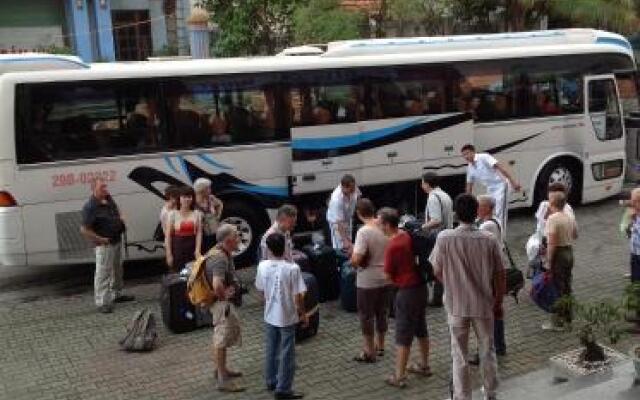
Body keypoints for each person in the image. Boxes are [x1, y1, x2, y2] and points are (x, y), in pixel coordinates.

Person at [429, 194, 506, 400]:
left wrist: (452, 283)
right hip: (484, 304)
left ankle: (463, 396)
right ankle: (490, 392)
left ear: (456, 214)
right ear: (476, 213)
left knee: (459, 354)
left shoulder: (444, 238)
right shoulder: (489, 240)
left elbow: (436, 270)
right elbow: (500, 273)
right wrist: (498, 301)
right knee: (487, 350)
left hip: (456, 304)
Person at [380, 207, 431, 388]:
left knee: (403, 334)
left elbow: (387, 276)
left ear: (387, 225)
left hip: (406, 293)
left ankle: (399, 376)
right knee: (421, 328)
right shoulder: (407, 235)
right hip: (421, 288)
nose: (379, 225)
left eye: (380, 222)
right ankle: (424, 365)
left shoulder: (392, 246)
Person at [255, 233, 308, 400]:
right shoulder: (292, 268)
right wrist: (303, 313)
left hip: (270, 314)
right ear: (284, 247)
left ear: (269, 249)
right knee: (287, 352)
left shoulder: (262, 266)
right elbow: (298, 296)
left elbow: (261, 290)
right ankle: (283, 388)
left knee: (271, 348)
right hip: (287, 315)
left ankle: (271, 380)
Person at [80, 178, 134, 314]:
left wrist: (121, 218)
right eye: (101, 188)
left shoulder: (108, 198)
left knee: (117, 270)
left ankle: (117, 294)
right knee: (103, 274)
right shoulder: (90, 206)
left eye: (105, 186)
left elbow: (117, 210)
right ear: (93, 189)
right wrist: (100, 239)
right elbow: (84, 229)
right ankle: (102, 302)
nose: (105, 189)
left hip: (116, 241)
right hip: (105, 245)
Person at [350, 198, 390, 363]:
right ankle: (381, 345)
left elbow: (357, 259)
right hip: (385, 277)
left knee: (366, 315)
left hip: (367, 280)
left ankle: (369, 350)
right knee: (382, 312)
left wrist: (352, 257)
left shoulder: (363, 231)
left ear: (359, 213)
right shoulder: (385, 226)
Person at [207, 224, 245, 392]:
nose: (239, 238)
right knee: (221, 339)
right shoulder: (220, 258)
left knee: (221, 337)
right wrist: (224, 296)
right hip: (221, 305)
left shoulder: (219, 251)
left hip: (219, 304)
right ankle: (222, 380)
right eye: (237, 236)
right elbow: (216, 284)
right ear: (228, 240)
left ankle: (221, 369)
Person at [462, 144, 521, 239]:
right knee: (489, 211)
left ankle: (502, 238)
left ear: (473, 152)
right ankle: (493, 234)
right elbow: (469, 185)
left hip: (501, 185)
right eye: (464, 155)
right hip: (490, 188)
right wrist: (466, 200)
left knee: (500, 212)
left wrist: (513, 181)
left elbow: (500, 167)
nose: (466, 157)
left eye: (467, 153)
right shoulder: (470, 167)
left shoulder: (483, 157)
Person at [477, 195, 507, 357]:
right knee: (497, 310)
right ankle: (499, 346)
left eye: (479, 206)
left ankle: (490, 348)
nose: (477, 209)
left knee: (488, 311)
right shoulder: (495, 221)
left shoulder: (487, 226)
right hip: (496, 270)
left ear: (488, 208)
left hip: (489, 273)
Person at [542, 191, 577, 331]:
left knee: (557, 288)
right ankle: (569, 317)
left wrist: (548, 262)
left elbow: (552, 243)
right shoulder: (569, 217)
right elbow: (575, 234)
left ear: (552, 203)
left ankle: (557, 322)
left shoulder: (553, 219)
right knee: (567, 285)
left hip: (559, 255)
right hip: (569, 251)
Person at [164, 186, 202, 273]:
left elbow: (199, 233)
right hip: (177, 248)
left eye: (189, 197)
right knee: (178, 275)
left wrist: (197, 250)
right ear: (179, 199)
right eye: (184, 197)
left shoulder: (197, 214)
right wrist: (169, 254)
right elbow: (168, 236)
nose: (187, 199)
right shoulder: (172, 214)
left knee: (193, 274)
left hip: (192, 247)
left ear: (192, 198)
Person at [326, 174, 360, 255]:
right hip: (337, 223)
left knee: (350, 243)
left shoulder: (354, 188)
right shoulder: (336, 200)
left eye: (353, 188)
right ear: (343, 187)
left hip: (348, 218)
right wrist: (344, 240)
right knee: (341, 246)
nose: (353, 191)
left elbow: (358, 196)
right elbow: (339, 222)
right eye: (350, 190)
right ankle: (341, 263)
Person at [193, 177, 224, 253]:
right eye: (208, 188)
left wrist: (218, 215)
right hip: (200, 234)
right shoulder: (193, 202)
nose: (210, 190)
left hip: (213, 231)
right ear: (202, 190)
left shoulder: (211, 198)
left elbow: (220, 204)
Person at [626, 188, 640, 283]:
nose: (632, 203)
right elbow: (631, 234)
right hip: (634, 251)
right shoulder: (636, 214)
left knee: (636, 280)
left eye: (634, 201)